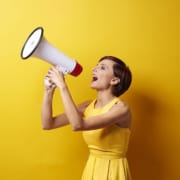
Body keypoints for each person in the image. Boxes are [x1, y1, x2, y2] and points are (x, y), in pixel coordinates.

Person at [41, 55, 132, 180]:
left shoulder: (121, 109)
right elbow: (48, 124)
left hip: (113, 171)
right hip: (91, 169)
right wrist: (48, 91)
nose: (94, 69)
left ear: (114, 80)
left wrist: (62, 86)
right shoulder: (87, 106)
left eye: (102, 68)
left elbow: (78, 125)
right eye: (96, 66)